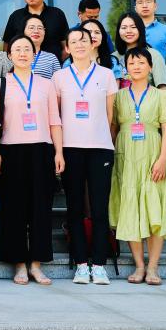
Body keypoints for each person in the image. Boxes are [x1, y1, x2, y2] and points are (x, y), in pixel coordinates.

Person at [0, 36, 64, 286]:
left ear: (34, 54)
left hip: (42, 149)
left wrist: (59, 152)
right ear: (9, 55)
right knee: (14, 209)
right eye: (17, 49)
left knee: (41, 208)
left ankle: (36, 264)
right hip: (11, 150)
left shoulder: (46, 84)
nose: (22, 53)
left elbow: (55, 121)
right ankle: (19, 263)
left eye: (27, 49)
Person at [53, 28, 119, 286]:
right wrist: (58, 151)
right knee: (75, 208)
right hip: (71, 148)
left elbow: (110, 115)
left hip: (100, 147)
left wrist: (103, 138)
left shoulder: (106, 74)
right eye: (74, 42)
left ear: (92, 44)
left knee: (100, 208)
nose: (79, 45)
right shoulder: (59, 77)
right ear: (67, 48)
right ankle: (81, 263)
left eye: (84, 40)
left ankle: (99, 264)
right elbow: (57, 116)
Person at [110, 47, 166, 285]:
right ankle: (139, 266)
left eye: (141, 62)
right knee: (130, 207)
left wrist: (162, 159)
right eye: (131, 63)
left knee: (154, 209)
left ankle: (153, 268)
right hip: (126, 156)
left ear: (150, 67)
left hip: (152, 154)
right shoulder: (118, 96)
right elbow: (113, 128)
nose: (136, 67)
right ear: (126, 69)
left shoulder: (162, 96)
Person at [2, 0, 69, 59]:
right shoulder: (15, 16)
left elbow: (66, 45)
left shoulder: (57, 14)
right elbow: (7, 46)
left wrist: (58, 63)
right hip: (22, 64)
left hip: (52, 65)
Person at [113, 13, 166, 89]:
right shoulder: (113, 57)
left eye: (133, 27)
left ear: (140, 29)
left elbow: (163, 88)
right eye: (124, 28)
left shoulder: (153, 55)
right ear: (118, 31)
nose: (128, 31)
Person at [23, 15, 62, 80]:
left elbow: (59, 82)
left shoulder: (52, 58)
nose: (36, 31)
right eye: (31, 28)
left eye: (40, 28)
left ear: (44, 32)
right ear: (24, 31)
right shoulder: (15, 55)